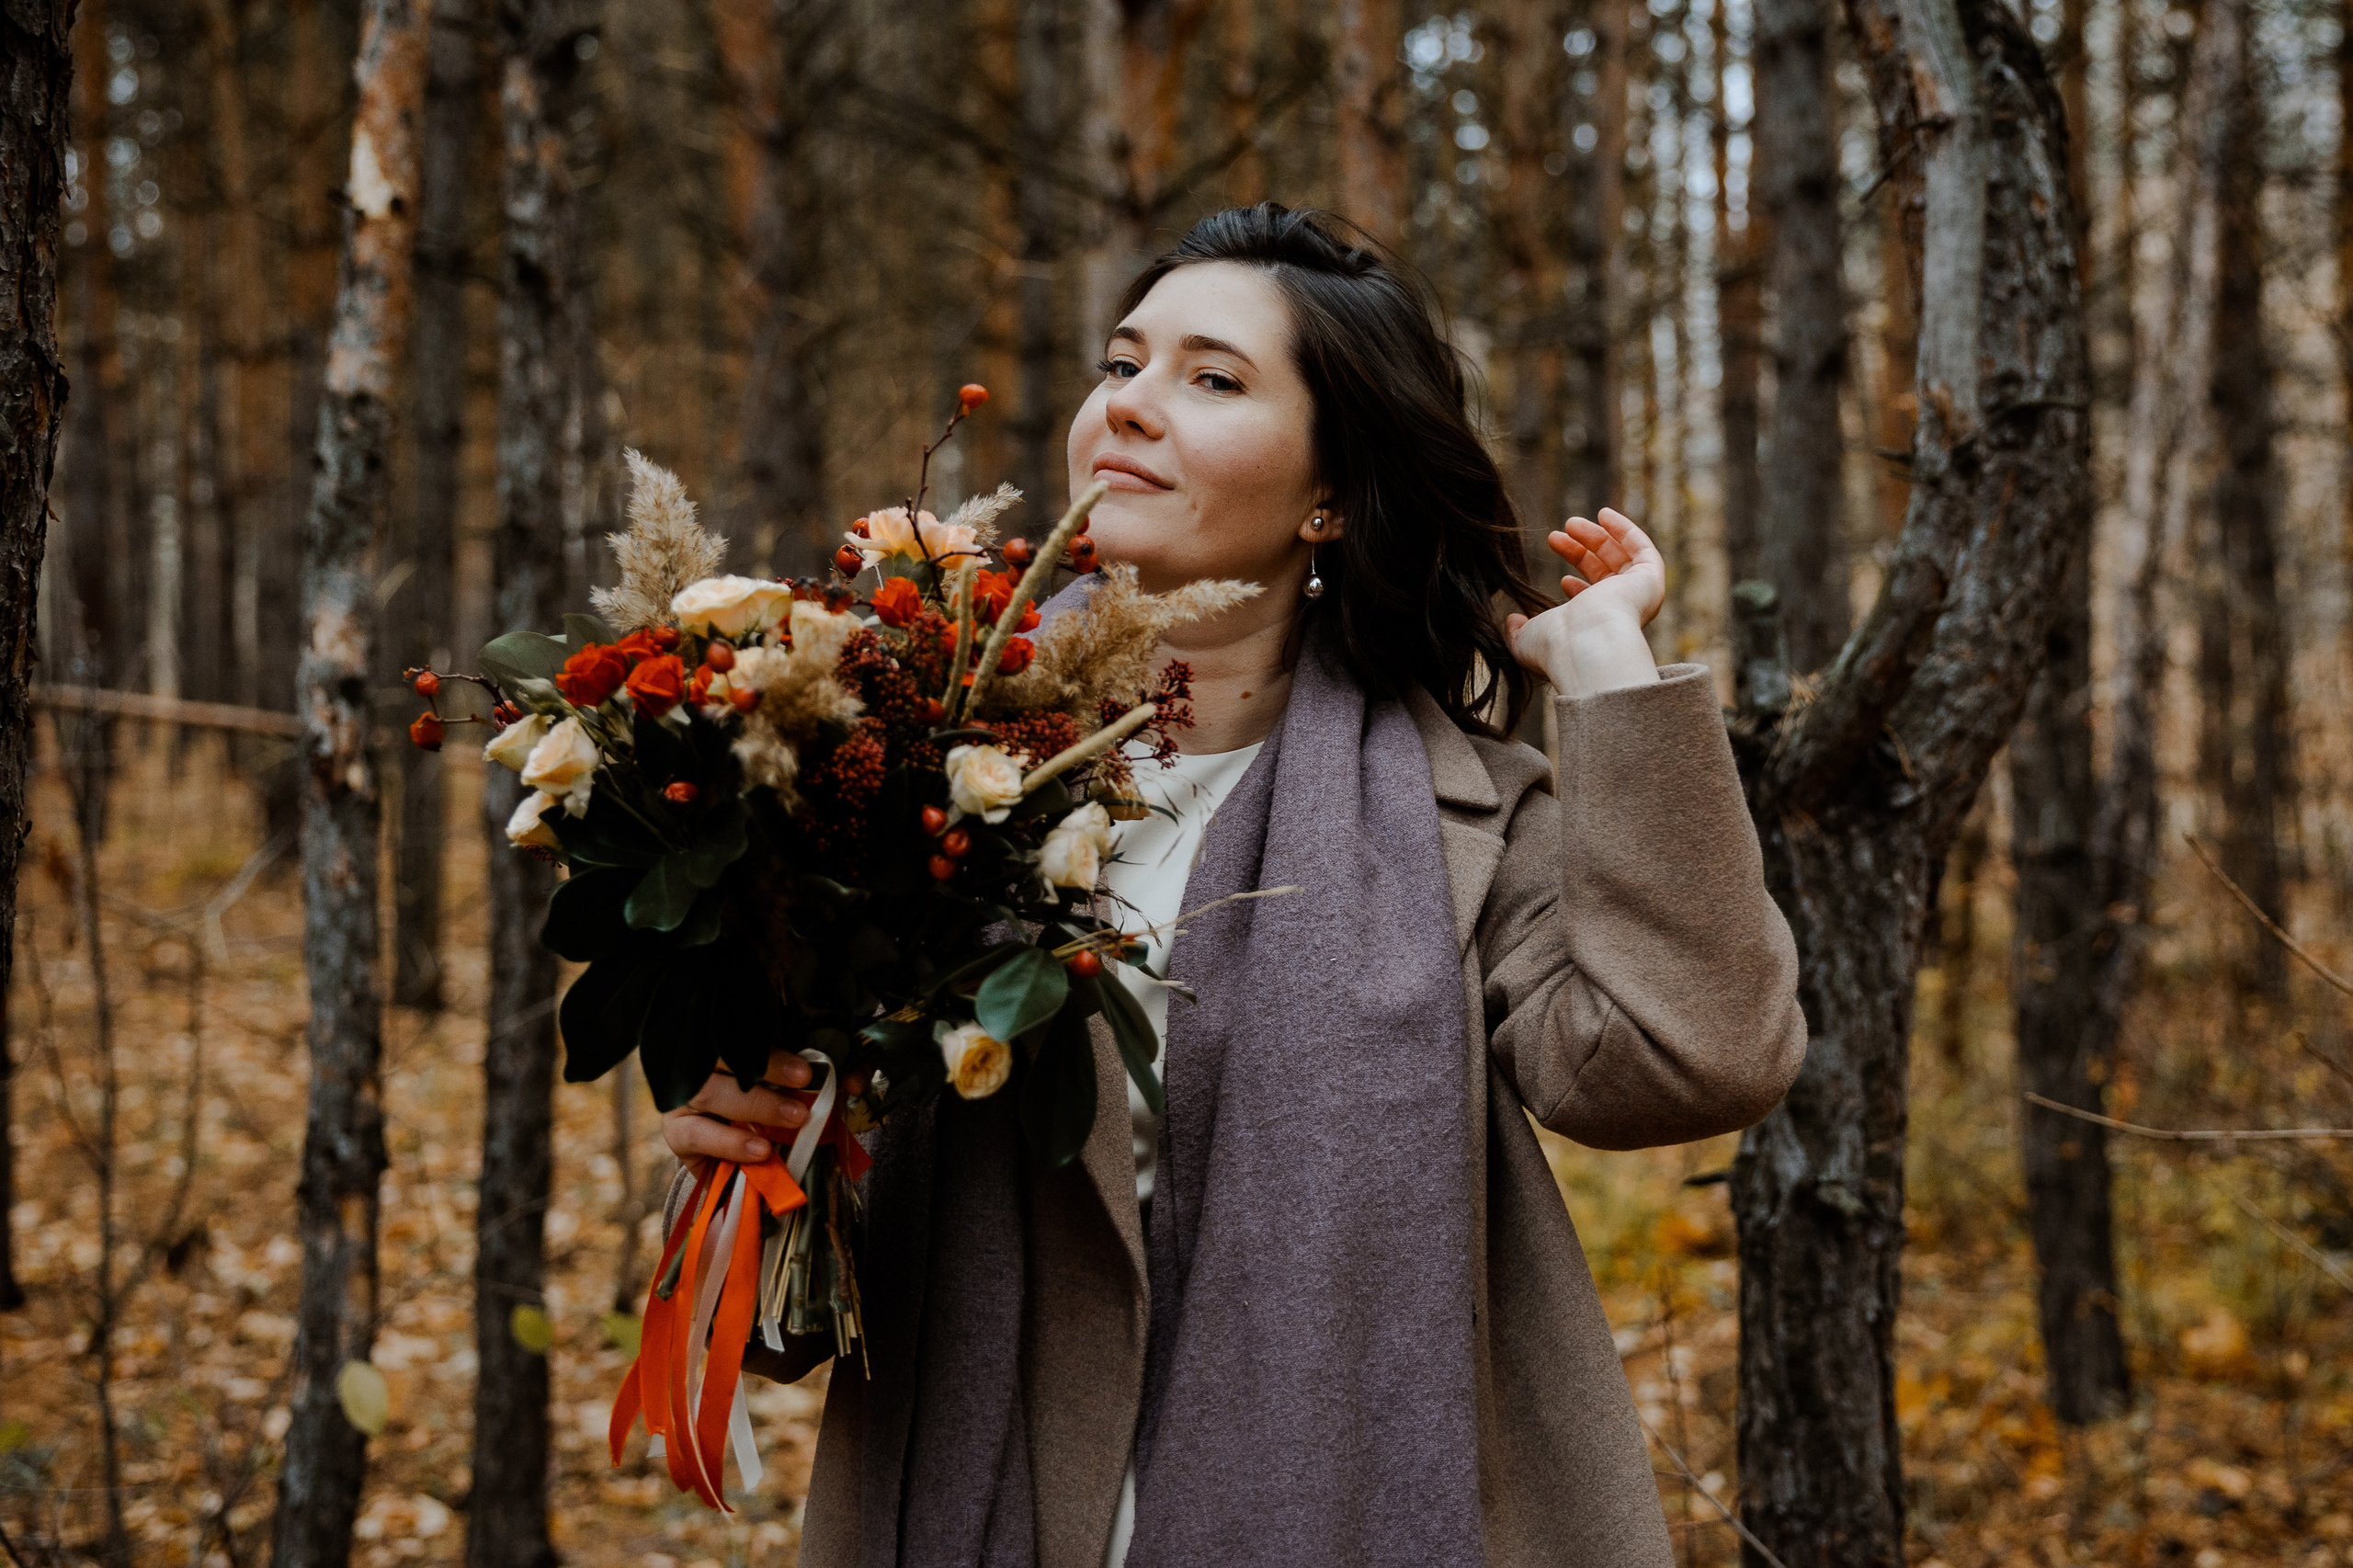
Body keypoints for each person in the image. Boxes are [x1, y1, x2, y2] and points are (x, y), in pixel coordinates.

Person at [658, 203, 1807, 1568]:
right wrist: (749, 1149)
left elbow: (1693, 1060)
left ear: (1329, 493)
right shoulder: (903, 762)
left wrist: (1613, 670)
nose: (1132, 405)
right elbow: (793, 1316)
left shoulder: (1469, 820)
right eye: (1120, 363)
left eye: (1212, 379)